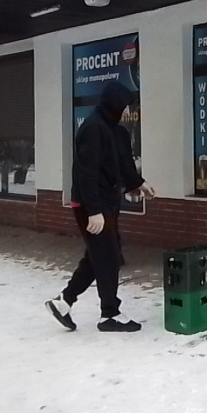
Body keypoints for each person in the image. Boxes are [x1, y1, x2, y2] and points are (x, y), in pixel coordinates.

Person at [45, 81, 155, 332]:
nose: (128, 111)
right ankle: (109, 314)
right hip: (90, 204)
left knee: (100, 255)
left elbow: (122, 164)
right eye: (126, 105)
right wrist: (93, 211)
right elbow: (87, 172)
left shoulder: (115, 130)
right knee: (108, 257)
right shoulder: (93, 128)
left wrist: (138, 184)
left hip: (106, 201)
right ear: (115, 104)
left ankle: (64, 302)